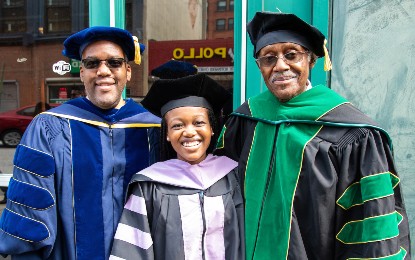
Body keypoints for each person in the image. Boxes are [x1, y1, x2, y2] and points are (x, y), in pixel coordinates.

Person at [214, 12, 411, 259]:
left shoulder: (353, 133)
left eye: (291, 54)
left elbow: (372, 224)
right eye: (268, 58)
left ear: (312, 61)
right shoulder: (243, 122)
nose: (281, 66)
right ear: (259, 67)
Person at [0, 26, 161, 259]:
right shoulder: (49, 127)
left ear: (128, 71)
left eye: (114, 63)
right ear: (82, 73)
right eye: (92, 63)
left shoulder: (153, 129)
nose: (103, 71)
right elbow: (30, 207)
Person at [110, 74, 245, 260]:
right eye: (177, 125)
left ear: (212, 129)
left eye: (199, 123)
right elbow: (131, 251)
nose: (189, 132)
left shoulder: (233, 177)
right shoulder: (149, 186)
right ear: (167, 134)